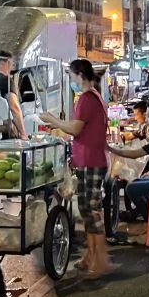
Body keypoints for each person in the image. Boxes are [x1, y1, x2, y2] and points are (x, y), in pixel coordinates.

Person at [40, 59, 112, 276]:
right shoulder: (94, 96)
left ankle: (101, 261)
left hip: (91, 161)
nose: (71, 80)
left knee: (91, 211)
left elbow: (75, 129)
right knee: (87, 210)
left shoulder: (87, 98)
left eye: (71, 75)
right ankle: (90, 256)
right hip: (90, 160)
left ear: (80, 75)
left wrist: (53, 119)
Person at [0, 49, 26, 138]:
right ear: (3, 63)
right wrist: (23, 133)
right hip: (5, 132)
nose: (11, 68)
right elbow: (14, 107)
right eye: (11, 64)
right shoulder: (6, 81)